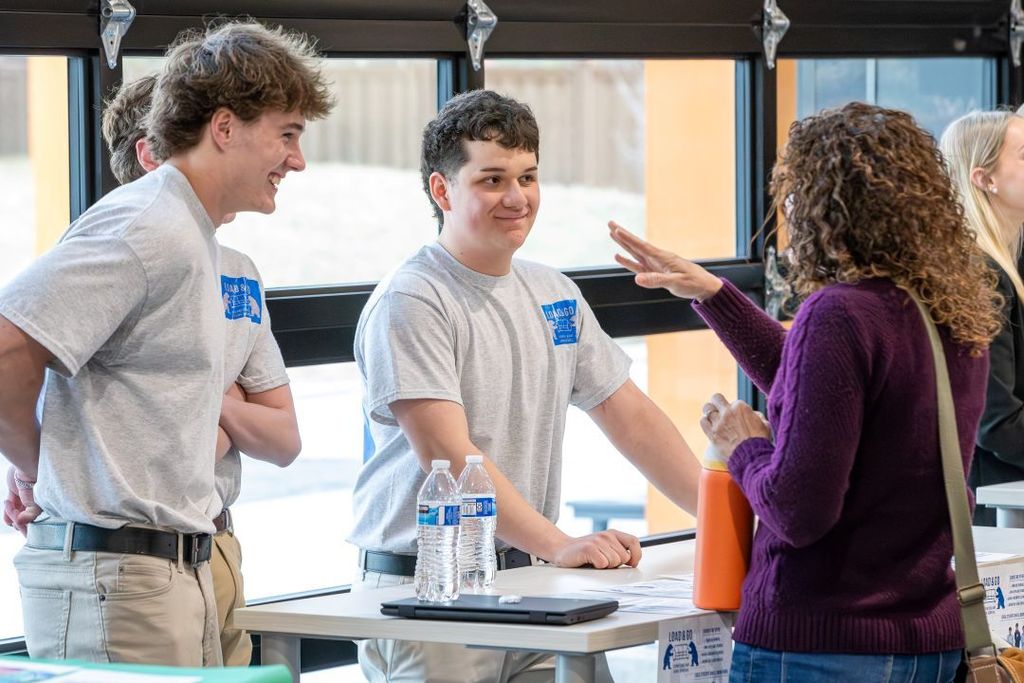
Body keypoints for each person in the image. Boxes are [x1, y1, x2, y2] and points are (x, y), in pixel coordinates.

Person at [609, 102, 1001, 682]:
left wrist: (743, 446)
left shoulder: (839, 313)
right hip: (927, 640)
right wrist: (715, 293)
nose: (787, 210)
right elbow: (825, 394)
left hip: (826, 646)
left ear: (827, 206)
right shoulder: (946, 312)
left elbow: (798, 511)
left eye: (794, 193)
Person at [0, 20, 331, 666]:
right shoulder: (150, 224)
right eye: (286, 135)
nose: (296, 159)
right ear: (225, 128)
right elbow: (10, 346)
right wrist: (42, 463)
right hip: (117, 575)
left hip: (174, 565)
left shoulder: (194, 238)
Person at [350, 89, 702, 682]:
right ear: (442, 191)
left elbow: (629, 416)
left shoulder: (553, 292)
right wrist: (561, 542)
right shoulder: (414, 299)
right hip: (430, 589)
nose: (517, 198)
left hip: (529, 580)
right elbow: (449, 456)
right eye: (492, 180)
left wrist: (726, 522)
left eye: (528, 177)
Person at [100, 73, 302, 666]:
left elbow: (285, 440)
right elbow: (171, 445)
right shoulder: (120, 248)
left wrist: (211, 401)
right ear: (150, 154)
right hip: (137, 550)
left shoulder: (236, 269)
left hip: (215, 539)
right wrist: (221, 400)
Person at [940, 110, 1024, 526]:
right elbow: (997, 422)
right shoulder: (983, 274)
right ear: (984, 178)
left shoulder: (1008, 261)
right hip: (1000, 506)